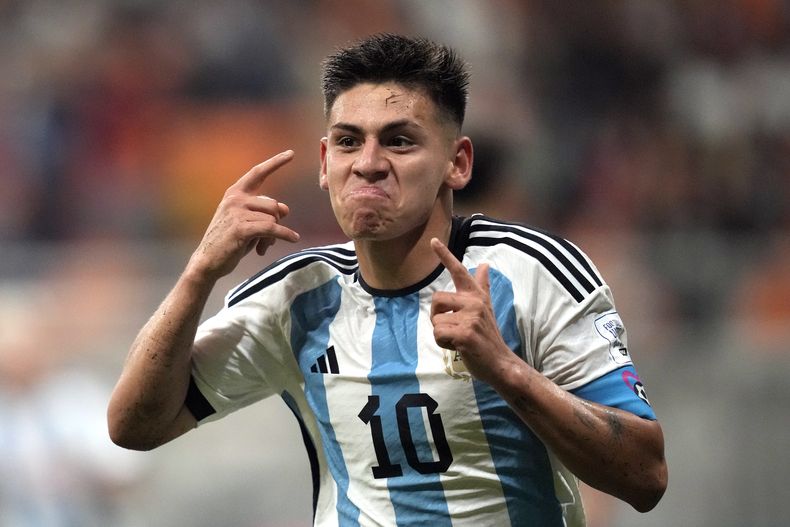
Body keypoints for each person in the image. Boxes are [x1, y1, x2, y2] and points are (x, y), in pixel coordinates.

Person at [108, 33, 667, 526]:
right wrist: (199, 272)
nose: (368, 163)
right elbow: (134, 425)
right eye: (349, 141)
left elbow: (645, 474)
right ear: (325, 163)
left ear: (458, 162)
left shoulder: (532, 272)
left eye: (399, 141)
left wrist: (505, 370)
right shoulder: (296, 296)